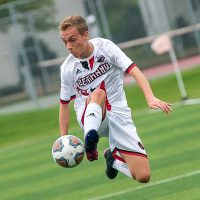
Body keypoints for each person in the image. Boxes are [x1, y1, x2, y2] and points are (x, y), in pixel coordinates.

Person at [59, 15, 172, 183]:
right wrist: (64, 139)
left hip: (119, 114)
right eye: (65, 41)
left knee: (143, 176)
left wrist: (150, 97)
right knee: (98, 94)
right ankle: (91, 139)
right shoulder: (67, 68)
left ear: (85, 35)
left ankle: (113, 159)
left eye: (72, 40)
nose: (69, 46)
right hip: (89, 116)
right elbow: (64, 105)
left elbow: (134, 71)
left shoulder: (106, 48)